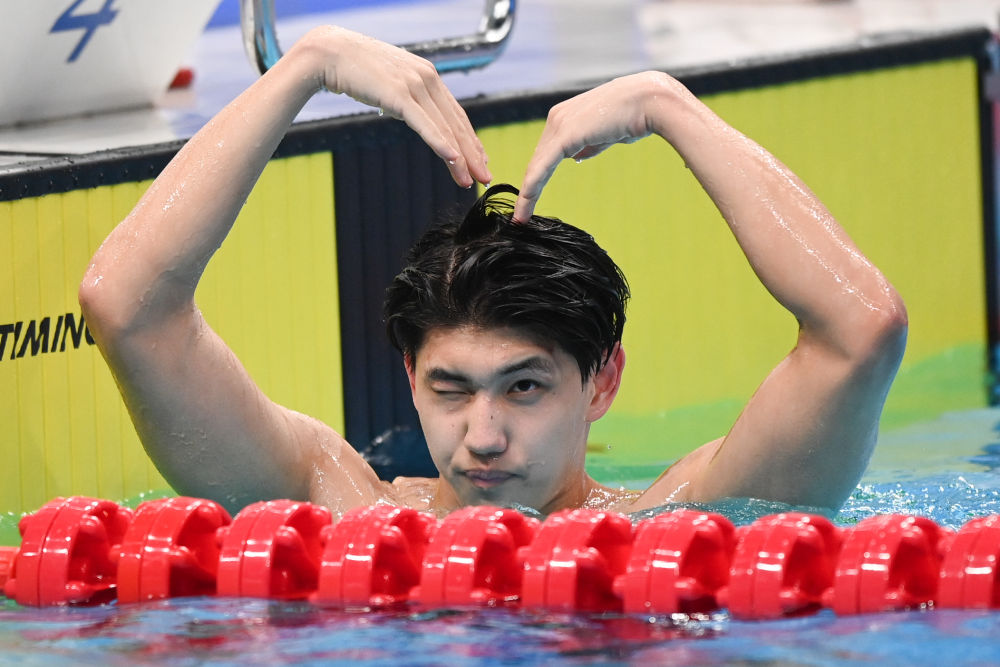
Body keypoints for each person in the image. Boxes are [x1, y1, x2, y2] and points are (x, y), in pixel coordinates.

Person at [79, 26, 907, 518]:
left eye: (524, 387)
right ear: (410, 377)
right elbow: (127, 308)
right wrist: (306, 66)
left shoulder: (679, 521)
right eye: (451, 388)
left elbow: (861, 329)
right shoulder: (339, 505)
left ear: (603, 380)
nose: (482, 436)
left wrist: (668, 106)